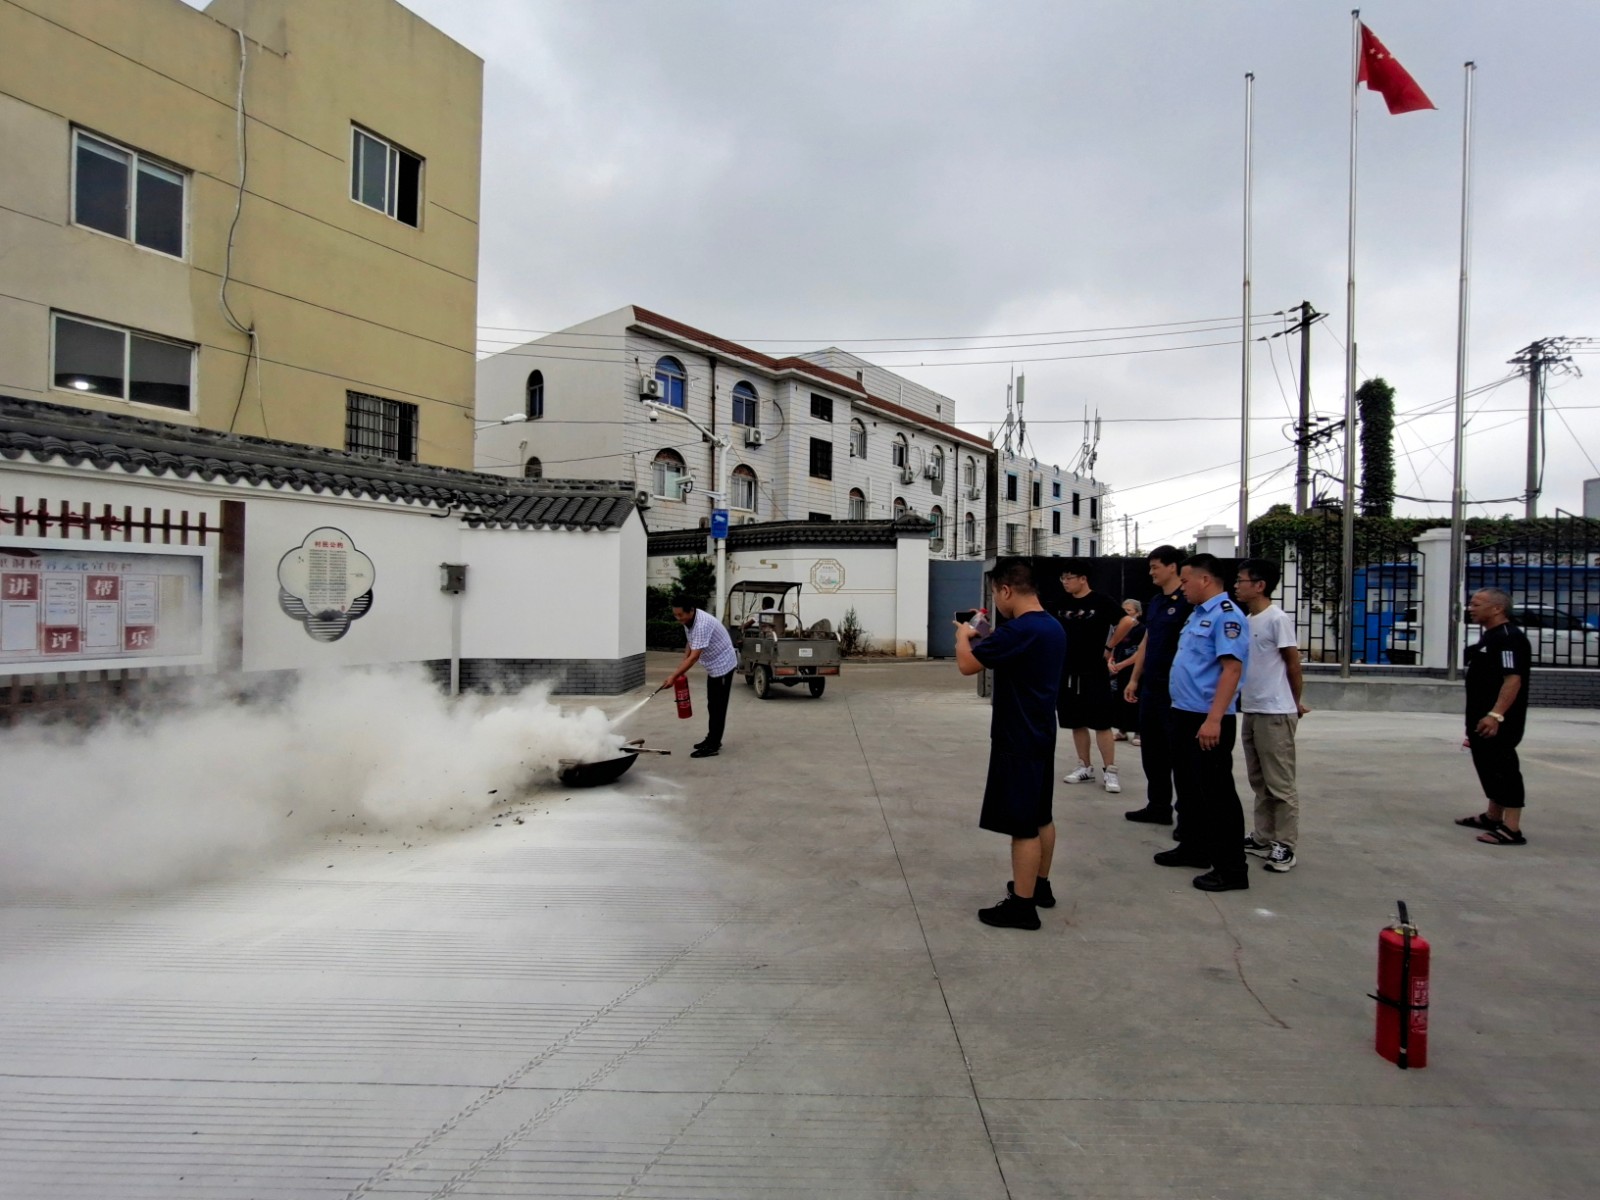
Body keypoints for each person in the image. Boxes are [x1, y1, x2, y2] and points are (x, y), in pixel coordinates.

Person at [955, 559, 1067, 930]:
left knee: (1023, 825)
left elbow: (967, 665)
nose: (996, 601)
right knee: (1041, 815)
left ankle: (1022, 906)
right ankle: (1039, 886)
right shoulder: (1051, 626)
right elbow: (1005, 652)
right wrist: (984, 637)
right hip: (1040, 731)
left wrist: (962, 636)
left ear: (1006, 590)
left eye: (995, 594)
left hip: (1017, 736)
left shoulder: (1020, 629)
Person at [1153, 553, 1251, 891]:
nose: (1182, 587)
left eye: (1185, 580)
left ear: (1205, 580)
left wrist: (1214, 719)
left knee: (1216, 793)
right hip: (1183, 711)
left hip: (1207, 717)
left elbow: (1232, 670)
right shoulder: (1197, 614)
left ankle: (1231, 869)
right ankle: (1194, 847)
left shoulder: (1227, 616)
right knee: (1189, 786)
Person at [1234, 559, 1309, 874]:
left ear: (1259, 585)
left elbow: (1293, 663)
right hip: (1252, 709)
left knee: (1280, 783)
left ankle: (1285, 845)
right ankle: (1262, 837)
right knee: (1259, 780)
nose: (1236, 586)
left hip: (1275, 712)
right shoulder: (1248, 619)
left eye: (1241, 580)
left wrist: (1294, 702)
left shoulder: (1277, 619)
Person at [1455, 588, 1532, 846]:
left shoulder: (1509, 638)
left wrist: (1495, 715)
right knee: (1488, 767)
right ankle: (1493, 816)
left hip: (1499, 721)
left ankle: (1512, 828)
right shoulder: (1491, 636)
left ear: (1497, 608)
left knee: (1504, 768)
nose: (1470, 608)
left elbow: (1513, 679)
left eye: (1477, 604)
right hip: (1480, 717)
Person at [1122, 546, 1192, 826]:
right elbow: (1147, 642)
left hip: (1175, 689)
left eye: (1155, 567)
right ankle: (1158, 806)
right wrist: (1135, 678)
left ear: (1172, 566)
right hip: (1151, 686)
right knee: (1152, 751)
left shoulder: (1187, 602)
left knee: (1180, 754)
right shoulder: (1156, 601)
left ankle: (1187, 818)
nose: (1151, 572)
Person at [1055, 563, 1135, 794]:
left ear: (1083, 579)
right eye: (1063, 578)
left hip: (1094, 670)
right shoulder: (1061, 603)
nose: (1065, 582)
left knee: (1101, 722)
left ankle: (1110, 769)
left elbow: (1127, 621)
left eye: (1069, 577)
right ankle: (1084, 766)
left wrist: (1110, 646)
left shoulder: (1101, 601)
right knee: (1076, 721)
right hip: (1069, 670)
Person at [665, 594, 739, 759]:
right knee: (712, 704)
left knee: (718, 706)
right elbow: (690, 643)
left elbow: (694, 657)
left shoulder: (702, 624)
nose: (678, 618)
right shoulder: (689, 621)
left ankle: (713, 745)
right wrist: (681, 666)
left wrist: (674, 676)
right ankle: (712, 739)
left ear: (691, 610)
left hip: (723, 665)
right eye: (675, 615)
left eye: (680, 615)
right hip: (713, 666)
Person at [1109, 599, 1145, 744]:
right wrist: (1111, 662)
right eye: (1124, 611)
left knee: (1135, 700)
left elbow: (1140, 652)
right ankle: (1122, 730)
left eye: (1129, 610)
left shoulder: (1142, 630)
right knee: (1119, 700)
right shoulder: (1119, 628)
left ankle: (1138, 732)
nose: (1126, 613)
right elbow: (1112, 646)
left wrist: (1122, 664)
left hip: (1134, 670)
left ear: (1138, 613)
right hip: (1119, 670)